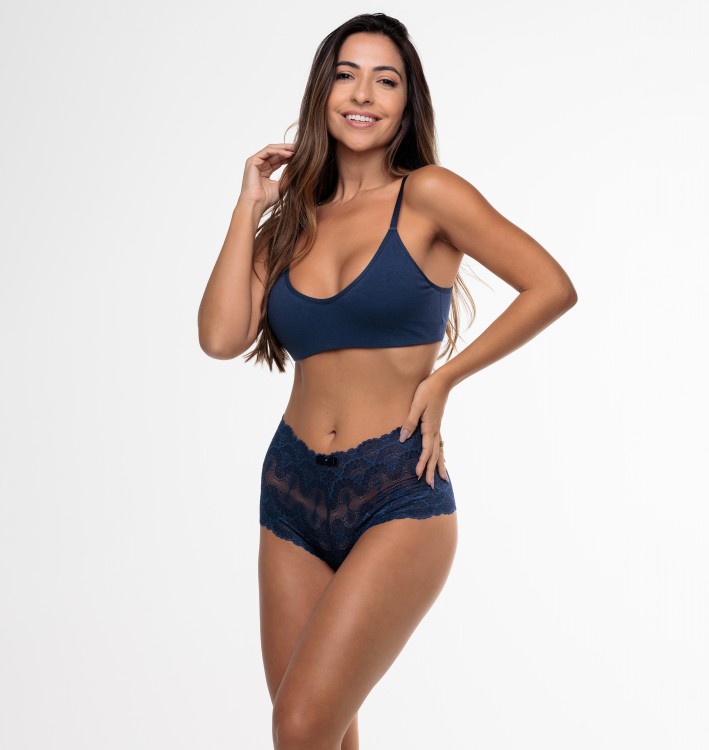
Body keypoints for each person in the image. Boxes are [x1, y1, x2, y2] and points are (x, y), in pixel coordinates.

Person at [198, 12, 577, 750]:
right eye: (346, 75)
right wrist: (250, 205)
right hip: (290, 489)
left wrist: (446, 378)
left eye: (386, 79)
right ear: (323, 92)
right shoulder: (291, 222)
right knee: (318, 734)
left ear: (408, 101)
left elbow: (551, 286)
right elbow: (220, 337)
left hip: (397, 485)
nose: (363, 94)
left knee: (300, 726)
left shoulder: (430, 194)